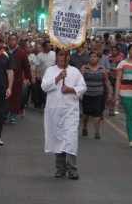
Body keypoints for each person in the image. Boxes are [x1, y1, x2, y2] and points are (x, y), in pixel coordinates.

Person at [42, 49, 87, 180]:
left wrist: (71, 89)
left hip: (70, 111)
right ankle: (60, 168)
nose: (63, 58)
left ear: (69, 57)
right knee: (58, 137)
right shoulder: (50, 71)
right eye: (61, 55)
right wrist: (58, 78)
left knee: (70, 137)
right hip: (54, 110)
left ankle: (73, 169)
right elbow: (44, 87)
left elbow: (82, 86)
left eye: (66, 55)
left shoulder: (74, 71)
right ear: (56, 57)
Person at [80, 52, 112, 139]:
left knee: (97, 113)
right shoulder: (84, 68)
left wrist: (109, 93)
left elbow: (106, 81)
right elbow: (80, 81)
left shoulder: (102, 68)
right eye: (91, 57)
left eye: (94, 57)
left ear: (97, 58)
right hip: (87, 94)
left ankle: (97, 132)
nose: (93, 58)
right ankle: (84, 127)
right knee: (86, 113)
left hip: (98, 94)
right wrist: (80, 93)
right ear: (88, 58)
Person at [6, 34, 32, 124]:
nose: (12, 41)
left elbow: (26, 66)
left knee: (16, 97)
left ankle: (13, 116)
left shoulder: (22, 53)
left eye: (14, 39)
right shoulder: (4, 52)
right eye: (10, 39)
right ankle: (6, 114)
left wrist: (27, 78)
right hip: (5, 79)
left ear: (17, 41)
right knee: (5, 97)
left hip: (17, 79)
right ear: (8, 41)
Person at [33, 40, 55, 110]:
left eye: (50, 45)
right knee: (43, 92)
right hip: (43, 77)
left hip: (53, 77)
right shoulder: (39, 55)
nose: (50, 47)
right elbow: (37, 66)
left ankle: (48, 105)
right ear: (44, 47)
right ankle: (43, 104)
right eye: (48, 45)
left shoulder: (54, 53)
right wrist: (37, 74)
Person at [107, 45, 124, 115]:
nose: (113, 52)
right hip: (110, 77)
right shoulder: (109, 57)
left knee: (115, 94)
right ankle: (110, 109)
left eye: (115, 50)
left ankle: (113, 109)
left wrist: (116, 70)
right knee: (110, 93)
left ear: (117, 51)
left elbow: (122, 68)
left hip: (117, 78)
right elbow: (107, 66)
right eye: (112, 50)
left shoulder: (120, 59)